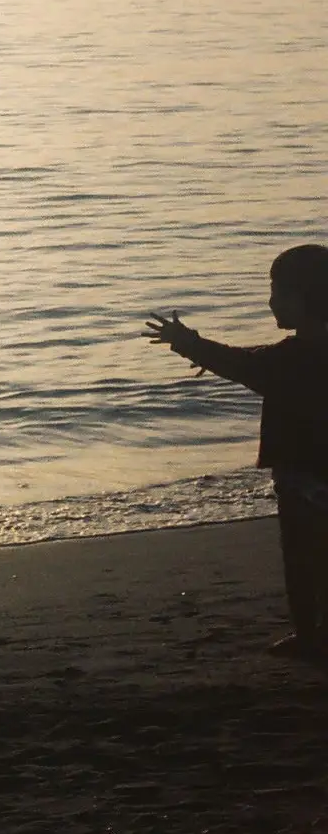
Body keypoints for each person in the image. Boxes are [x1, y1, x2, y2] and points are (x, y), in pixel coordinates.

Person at [145, 242, 328, 659]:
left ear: (306, 299)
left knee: (301, 558)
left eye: (280, 293)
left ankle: (308, 635)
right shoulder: (293, 356)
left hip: (301, 478)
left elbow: (243, 365)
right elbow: (248, 361)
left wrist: (186, 342)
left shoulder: (289, 360)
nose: (271, 302)